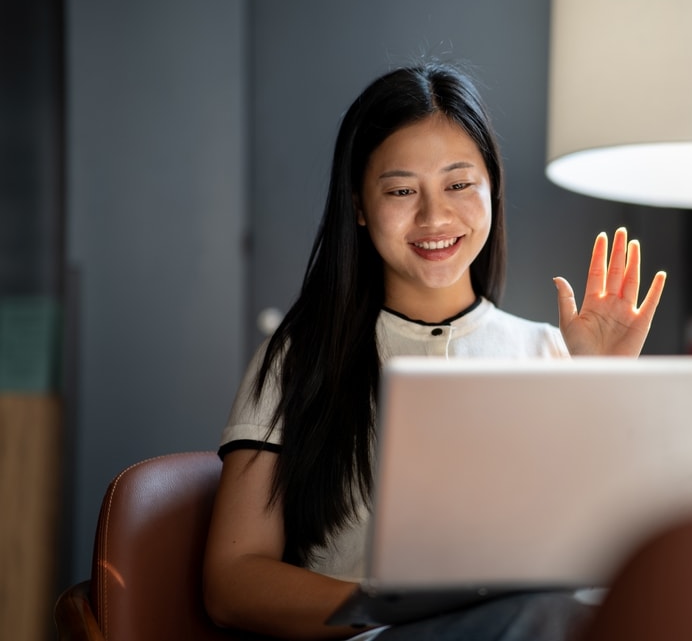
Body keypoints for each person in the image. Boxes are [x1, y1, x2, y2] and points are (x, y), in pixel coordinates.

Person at [203, 61, 667, 641]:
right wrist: (394, 606)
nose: (434, 216)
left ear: (492, 187)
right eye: (401, 190)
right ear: (359, 206)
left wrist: (600, 389)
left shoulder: (550, 352)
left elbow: (615, 555)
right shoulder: (299, 357)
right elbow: (232, 581)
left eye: (458, 184)